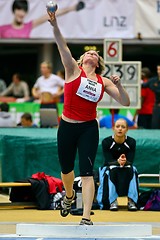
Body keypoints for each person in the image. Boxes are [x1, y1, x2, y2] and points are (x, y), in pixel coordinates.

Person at [47, 10, 130, 225]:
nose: (92, 53)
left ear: (99, 61)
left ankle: (85, 217)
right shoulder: (72, 69)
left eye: (96, 53)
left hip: (88, 129)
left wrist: (119, 84)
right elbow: (61, 46)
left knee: (86, 172)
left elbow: (125, 102)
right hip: (66, 126)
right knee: (66, 169)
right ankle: (69, 196)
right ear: (82, 59)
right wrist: (55, 25)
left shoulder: (104, 82)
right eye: (89, 53)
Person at [99, 119, 139, 211]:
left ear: (127, 129)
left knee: (133, 169)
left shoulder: (132, 142)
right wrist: (118, 161)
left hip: (126, 166)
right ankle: (112, 201)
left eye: (123, 127)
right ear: (113, 128)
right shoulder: (106, 142)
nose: (120, 129)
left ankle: (131, 201)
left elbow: (130, 160)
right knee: (110, 170)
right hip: (110, 167)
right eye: (117, 126)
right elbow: (108, 160)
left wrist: (124, 161)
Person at [0, 0, 85, 38]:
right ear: (13, 10)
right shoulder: (2, 29)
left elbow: (50, 15)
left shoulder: (28, 26)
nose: (21, 13)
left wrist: (73, 8)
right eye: (19, 9)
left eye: (24, 10)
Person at [141, 64, 160, 129]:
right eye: (158, 69)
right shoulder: (152, 82)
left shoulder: (149, 83)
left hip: (146, 111)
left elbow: (142, 98)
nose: (159, 71)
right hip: (154, 109)